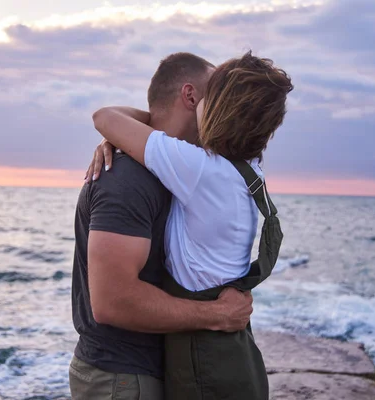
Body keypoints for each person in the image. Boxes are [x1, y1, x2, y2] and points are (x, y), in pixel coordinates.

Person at [91, 51, 293, 400]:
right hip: (234, 351)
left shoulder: (199, 170)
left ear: (215, 107)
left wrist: (129, 133)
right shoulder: (247, 173)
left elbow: (104, 116)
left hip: (203, 356)